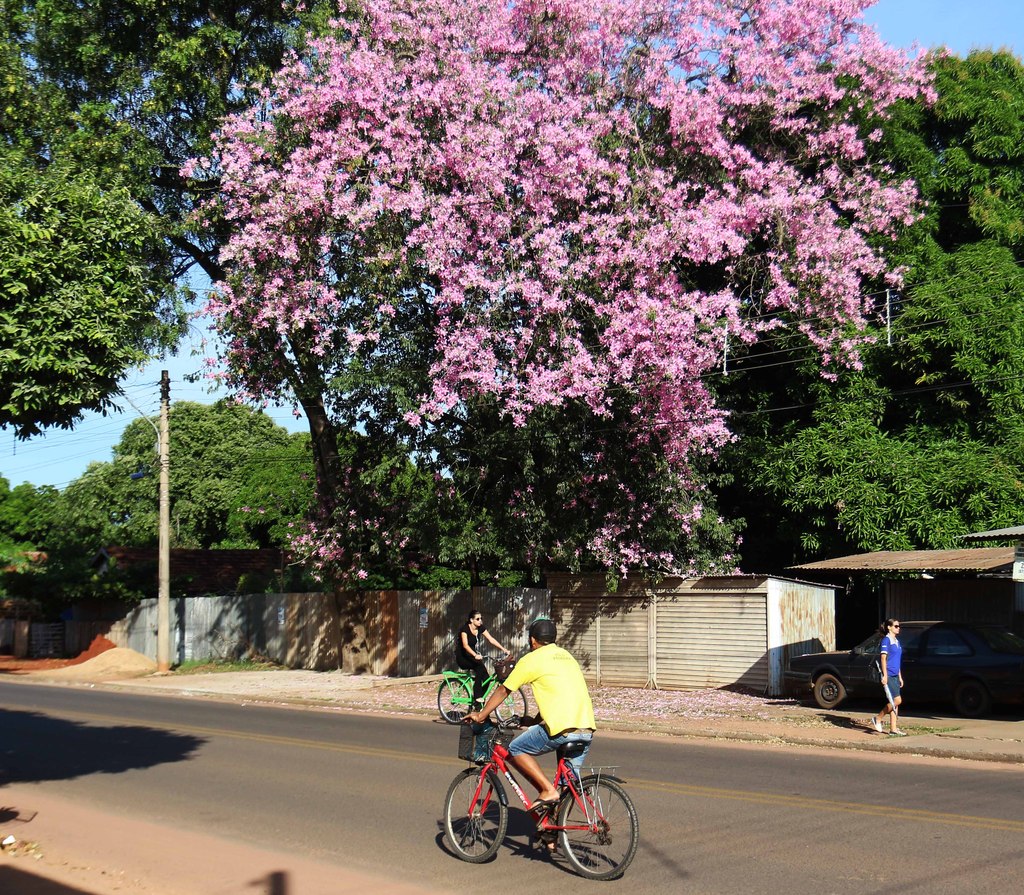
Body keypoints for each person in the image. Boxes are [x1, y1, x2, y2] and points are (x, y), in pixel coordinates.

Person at [467, 617, 595, 809]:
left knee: (516, 749)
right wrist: (534, 720)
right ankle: (551, 836)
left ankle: (547, 790)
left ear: (533, 641)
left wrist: (481, 715)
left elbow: (504, 690)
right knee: (566, 789)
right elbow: (561, 694)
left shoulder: (531, 659)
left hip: (562, 729)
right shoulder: (567, 656)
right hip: (586, 728)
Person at [456, 610, 510, 707]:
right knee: (479, 669)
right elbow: (465, 645)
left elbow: (491, 639)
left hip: (473, 656)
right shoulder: (465, 629)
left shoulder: (480, 628)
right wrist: (475, 655)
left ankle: (480, 701)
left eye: (481, 619)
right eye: (477, 619)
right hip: (463, 657)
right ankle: (477, 697)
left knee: (487, 679)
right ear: (471, 620)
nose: (480, 621)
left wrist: (504, 649)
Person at [870, 618, 906, 736]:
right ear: (889, 627)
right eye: (896, 626)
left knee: (895, 702)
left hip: (895, 675)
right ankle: (878, 718)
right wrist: (885, 675)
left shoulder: (897, 641)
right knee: (896, 700)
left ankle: (893, 729)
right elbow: (883, 658)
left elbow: (897, 660)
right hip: (889, 674)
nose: (898, 628)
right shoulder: (886, 640)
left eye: (898, 626)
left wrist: (900, 676)